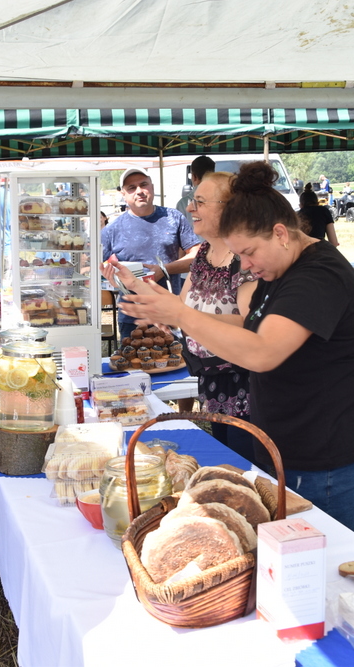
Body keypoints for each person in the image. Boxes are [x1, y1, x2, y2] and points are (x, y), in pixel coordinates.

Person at [110, 161, 354, 537]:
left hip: (333, 458)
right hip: (291, 449)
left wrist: (181, 313)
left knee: (323, 569)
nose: (245, 266)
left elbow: (262, 351)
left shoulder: (317, 276)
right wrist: (174, 313)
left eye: (247, 253)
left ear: (280, 233)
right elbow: (248, 326)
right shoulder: (278, 269)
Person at [110, 172, 258, 461]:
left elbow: (250, 326)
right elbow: (180, 305)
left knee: (248, 471)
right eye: (193, 201)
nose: (190, 208)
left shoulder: (245, 258)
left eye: (200, 202)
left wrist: (181, 315)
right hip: (213, 384)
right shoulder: (203, 253)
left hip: (246, 389)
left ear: (229, 208)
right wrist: (134, 283)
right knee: (227, 462)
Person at [101, 167, 201, 338]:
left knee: (177, 363)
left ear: (152, 187)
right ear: (123, 194)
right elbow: (101, 269)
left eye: (143, 185)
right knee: (134, 364)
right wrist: (112, 279)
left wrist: (164, 269)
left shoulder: (173, 218)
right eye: (131, 188)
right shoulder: (111, 230)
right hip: (132, 317)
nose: (139, 191)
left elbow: (198, 256)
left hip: (170, 312)